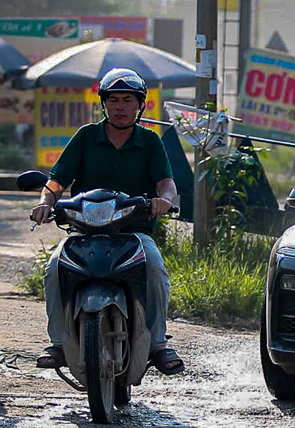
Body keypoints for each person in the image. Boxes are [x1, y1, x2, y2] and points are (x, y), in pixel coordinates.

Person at [30, 68, 183, 375]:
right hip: (83, 232)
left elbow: (166, 182)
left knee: (154, 269)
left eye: (128, 100)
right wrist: (45, 203)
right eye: (113, 100)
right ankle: (59, 343)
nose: (120, 106)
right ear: (103, 104)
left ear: (141, 105)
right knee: (53, 270)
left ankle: (157, 343)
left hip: (134, 233)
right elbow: (57, 181)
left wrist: (164, 200)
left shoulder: (150, 141)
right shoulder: (86, 136)